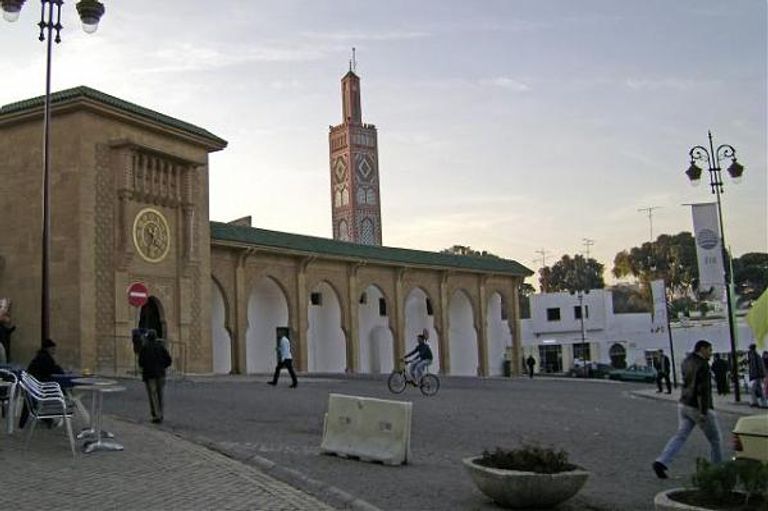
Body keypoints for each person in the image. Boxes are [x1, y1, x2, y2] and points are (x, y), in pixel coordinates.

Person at [652, 340, 722, 479]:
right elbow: (703, 390)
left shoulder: (686, 361)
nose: (711, 353)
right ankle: (717, 469)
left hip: (684, 403)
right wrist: (703, 411)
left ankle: (662, 461)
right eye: (709, 350)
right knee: (715, 440)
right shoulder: (703, 365)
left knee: (680, 436)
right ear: (702, 349)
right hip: (698, 407)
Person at [19, 338, 65, 428]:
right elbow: (53, 369)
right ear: (48, 348)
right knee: (61, 389)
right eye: (53, 349)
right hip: (39, 387)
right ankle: (48, 418)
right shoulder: (45, 358)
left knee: (30, 404)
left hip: (33, 386)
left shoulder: (40, 357)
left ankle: (24, 423)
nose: (54, 351)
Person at [138, 329, 172, 424]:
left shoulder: (145, 348)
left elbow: (141, 362)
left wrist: (146, 367)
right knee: (160, 394)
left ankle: (156, 415)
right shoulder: (161, 347)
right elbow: (169, 360)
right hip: (160, 374)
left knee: (153, 395)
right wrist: (163, 367)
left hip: (150, 375)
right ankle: (160, 414)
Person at [746, 344, 767, 408]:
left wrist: (761, 375)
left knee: (754, 390)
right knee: (758, 389)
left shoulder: (755, 356)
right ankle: (761, 403)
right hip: (757, 376)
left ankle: (757, 403)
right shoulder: (755, 356)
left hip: (757, 376)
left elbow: (758, 367)